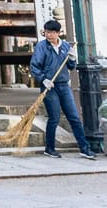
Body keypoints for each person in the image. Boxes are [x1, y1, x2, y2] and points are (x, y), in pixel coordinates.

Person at [29, 19, 96, 159]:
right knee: (54, 118)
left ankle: (84, 148)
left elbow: (71, 67)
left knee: (74, 117)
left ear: (58, 33)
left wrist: (72, 59)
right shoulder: (41, 47)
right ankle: (50, 148)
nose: (49, 35)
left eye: (52, 32)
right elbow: (34, 66)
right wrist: (43, 79)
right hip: (49, 86)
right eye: (47, 32)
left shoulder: (65, 46)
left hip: (64, 85)